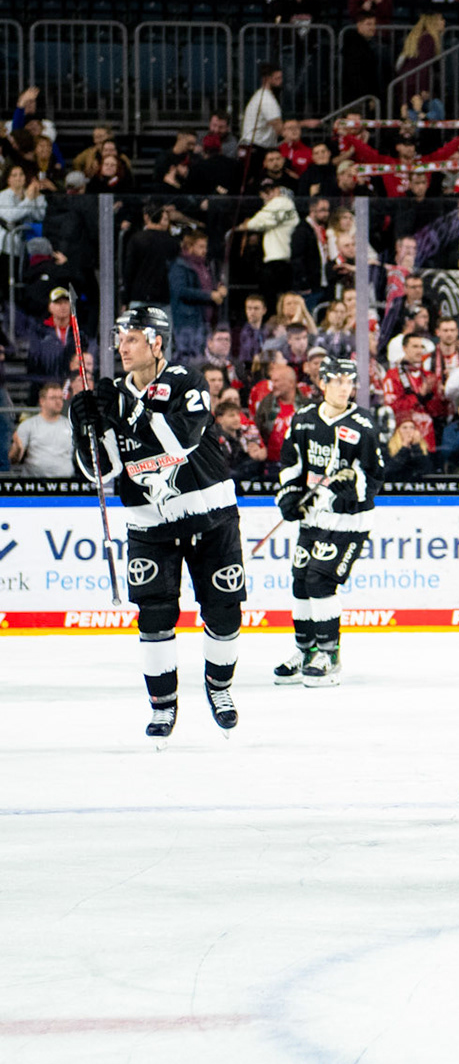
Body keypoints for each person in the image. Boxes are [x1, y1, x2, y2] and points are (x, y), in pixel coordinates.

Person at [69, 309, 246, 744]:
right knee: (154, 617)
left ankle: (219, 691)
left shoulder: (189, 382)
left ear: (156, 342)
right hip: (150, 523)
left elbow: (181, 442)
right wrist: (84, 428)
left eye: (131, 339)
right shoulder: (111, 395)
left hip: (212, 517)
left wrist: (128, 408)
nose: (122, 348)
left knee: (224, 613)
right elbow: (101, 472)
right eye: (119, 340)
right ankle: (163, 706)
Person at [270, 357, 384, 686]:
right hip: (313, 518)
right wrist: (289, 498)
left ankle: (329, 654)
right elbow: (290, 464)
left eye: (349, 382)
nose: (344, 388)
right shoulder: (304, 420)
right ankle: (304, 650)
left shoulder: (363, 424)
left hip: (349, 521)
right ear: (323, 383)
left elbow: (375, 477)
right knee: (300, 581)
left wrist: (348, 488)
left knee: (321, 582)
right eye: (337, 381)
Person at [10, 382, 76, 477]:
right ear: (42, 401)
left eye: (60, 398)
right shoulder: (28, 425)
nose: (58, 401)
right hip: (35, 485)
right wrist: (17, 448)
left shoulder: (70, 425)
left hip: (65, 485)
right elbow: (14, 460)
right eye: (53, 398)